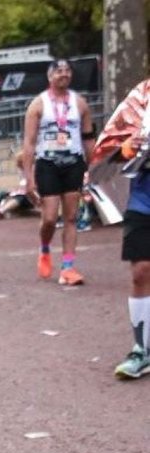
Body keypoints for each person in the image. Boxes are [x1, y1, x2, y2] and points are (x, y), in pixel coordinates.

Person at [91, 78, 150, 378]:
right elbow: (109, 148)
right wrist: (127, 149)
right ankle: (141, 349)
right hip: (144, 197)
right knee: (141, 270)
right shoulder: (143, 94)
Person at [21, 59, 95, 286]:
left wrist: (92, 169)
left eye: (67, 71)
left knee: (71, 217)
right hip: (48, 164)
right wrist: (28, 178)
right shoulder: (38, 104)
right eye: (59, 71)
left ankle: (68, 267)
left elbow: (88, 139)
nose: (64, 74)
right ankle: (44, 249)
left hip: (73, 162)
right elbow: (29, 143)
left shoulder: (80, 103)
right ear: (49, 76)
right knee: (50, 218)